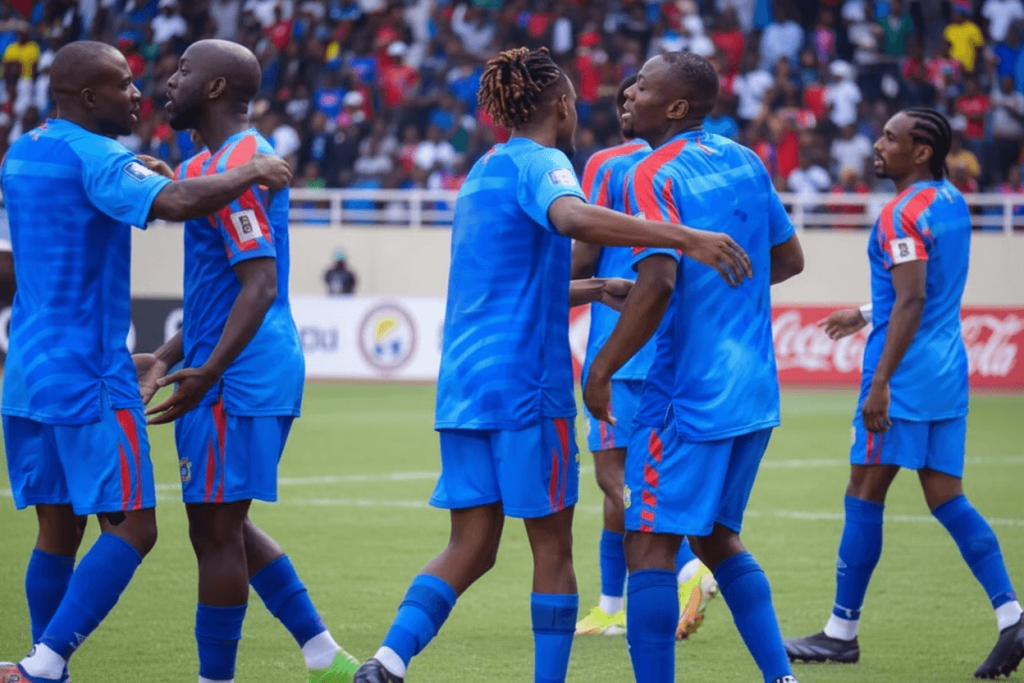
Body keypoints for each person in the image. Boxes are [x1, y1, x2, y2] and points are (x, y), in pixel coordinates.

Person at [352, 46, 752, 683]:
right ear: (561, 104)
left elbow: (507, 287)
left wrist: (596, 290)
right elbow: (571, 216)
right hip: (526, 389)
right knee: (552, 547)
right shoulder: (546, 164)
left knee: (471, 545)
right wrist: (682, 236)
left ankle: (386, 662)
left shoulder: (482, 171)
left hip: (463, 386)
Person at [0, 40, 291, 683]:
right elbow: (182, 204)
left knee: (57, 531)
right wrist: (253, 172)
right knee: (134, 528)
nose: (139, 93)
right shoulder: (102, 157)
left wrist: (149, 169)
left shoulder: (23, 151)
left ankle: (43, 669)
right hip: (91, 377)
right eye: (123, 84)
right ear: (86, 97)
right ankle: (44, 665)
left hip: (25, 373)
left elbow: (100, 195)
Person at [133, 40, 359, 683]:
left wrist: (208, 371)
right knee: (220, 522)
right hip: (224, 362)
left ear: (214, 87)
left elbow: (259, 284)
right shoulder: (212, 162)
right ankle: (321, 654)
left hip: (242, 371)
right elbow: (222, 289)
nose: (169, 82)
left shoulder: (241, 163)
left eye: (183, 71)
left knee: (215, 531)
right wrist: (173, 354)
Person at [582, 51, 805, 683]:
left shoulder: (653, 170)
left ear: (676, 107)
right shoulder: (745, 159)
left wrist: (601, 368)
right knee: (715, 540)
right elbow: (786, 260)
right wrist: (714, 296)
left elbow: (655, 281)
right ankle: (781, 677)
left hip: (687, 393)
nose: (630, 93)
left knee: (647, 542)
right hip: (754, 387)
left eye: (643, 86)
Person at [783, 108, 1024, 679]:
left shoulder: (900, 213)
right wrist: (866, 312)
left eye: (892, 137)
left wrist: (882, 381)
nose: (878, 143)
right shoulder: (950, 201)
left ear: (920, 151)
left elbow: (912, 299)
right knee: (947, 498)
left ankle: (841, 632)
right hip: (947, 369)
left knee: (863, 490)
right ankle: (1012, 615)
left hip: (906, 376)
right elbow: (926, 290)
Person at [571, 74, 717, 641]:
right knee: (641, 479)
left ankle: (685, 566)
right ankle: (612, 605)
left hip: (620, 341)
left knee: (614, 476)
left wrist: (537, 278)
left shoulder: (608, 164)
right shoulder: (697, 159)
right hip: (672, 344)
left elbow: (583, 253)